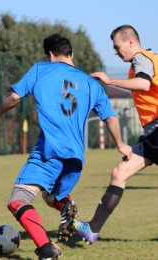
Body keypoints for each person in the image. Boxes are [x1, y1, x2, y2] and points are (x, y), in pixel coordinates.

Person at [0, 33, 132, 260]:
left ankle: (46, 249)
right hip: (75, 157)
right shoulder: (91, 83)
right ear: (71, 54)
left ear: (50, 54)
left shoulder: (40, 69)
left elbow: (15, 97)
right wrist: (121, 145)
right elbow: (111, 118)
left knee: (18, 200)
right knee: (49, 194)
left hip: (49, 150)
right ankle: (65, 205)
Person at [74, 25, 158, 244]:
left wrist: (110, 81)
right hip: (152, 135)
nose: (115, 52)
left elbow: (143, 83)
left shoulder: (141, 59)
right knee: (120, 172)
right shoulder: (150, 59)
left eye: (117, 46)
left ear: (130, 42)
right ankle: (92, 229)